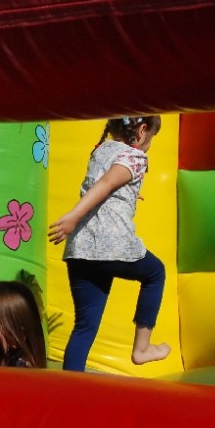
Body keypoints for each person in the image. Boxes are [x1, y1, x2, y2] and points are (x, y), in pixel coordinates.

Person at [48, 116, 170, 370]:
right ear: (142, 130)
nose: (150, 143)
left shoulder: (100, 150)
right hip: (112, 245)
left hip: (81, 250)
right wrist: (72, 216)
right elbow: (105, 184)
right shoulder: (134, 156)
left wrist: (131, 194)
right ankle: (142, 348)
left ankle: (68, 386)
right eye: (152, 137)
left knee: (84, 327)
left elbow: (102, 184)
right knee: (155, 273)